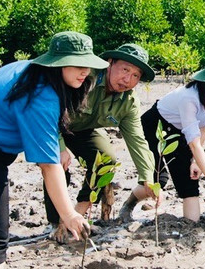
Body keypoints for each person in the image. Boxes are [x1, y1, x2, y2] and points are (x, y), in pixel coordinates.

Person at [0, 31, 105, 269]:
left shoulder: (26, 69)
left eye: (87, 65)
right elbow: (48, 166)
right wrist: (69, 215)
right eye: (77, 64)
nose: (84, 72)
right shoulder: (40, 96)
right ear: (57, 63)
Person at [41, 43, 158, 241]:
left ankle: (78, 214)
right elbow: (51, 110)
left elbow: (137, 140)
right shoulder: (85, 78)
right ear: (109, 63)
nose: (128, 79)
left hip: (82, 130)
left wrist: (148, 178)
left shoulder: (128, 102)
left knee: (106, 159)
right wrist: (60, 148)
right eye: (125, 70)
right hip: (52, 124)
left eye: (136, 76)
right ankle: (55, 223)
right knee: (57, 165)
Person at [140, 54, 205, 222]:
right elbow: (193, 142)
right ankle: (129, 204)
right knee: (157, 180)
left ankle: (191, 223)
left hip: (181, 131)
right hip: (155, 126)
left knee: (189, 181)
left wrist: (196, 162)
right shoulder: (188, 97)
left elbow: (203, 129)